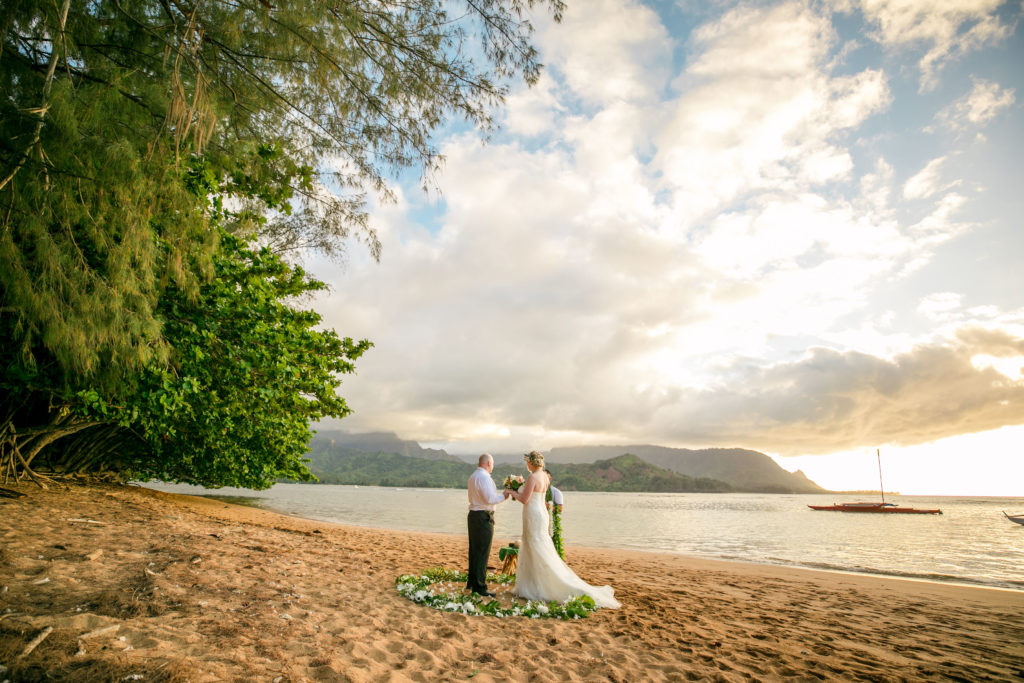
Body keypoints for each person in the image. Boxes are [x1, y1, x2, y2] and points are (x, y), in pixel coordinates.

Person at [507, 451, 619, 608]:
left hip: (532, 513)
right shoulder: (545, 477)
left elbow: (525, 499)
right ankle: (536, 582)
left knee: (534, 546)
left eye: (527, 462)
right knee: (540, 545)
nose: (526, 464)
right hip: (542, 514)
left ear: (531, 463)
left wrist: (512, 491)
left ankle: (537, 585)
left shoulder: (533, 477)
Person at [466, 453, 510, 596]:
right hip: (481, 517)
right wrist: (505, 495)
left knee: (474, 550)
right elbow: (490, 499)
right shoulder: (484, 477)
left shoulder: (473, 476)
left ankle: (472, 582)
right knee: (482, 552)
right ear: (489, 463)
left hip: (474, 515)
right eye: (492, 464)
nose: (493, 467)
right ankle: (479, 587)